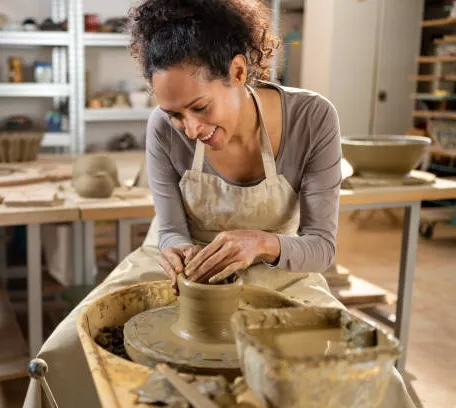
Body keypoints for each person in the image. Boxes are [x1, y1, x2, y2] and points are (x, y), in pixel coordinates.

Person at [24, 1, 415, 407]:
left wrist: (262, 244)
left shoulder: (312, 118)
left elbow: (321, 248)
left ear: (239, 72)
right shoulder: (162, 129)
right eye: (175, 114)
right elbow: (172, 227)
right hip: (180, 267)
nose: (190, 129)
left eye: (200, 107)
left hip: (277, 268)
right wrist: (175, 248)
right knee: (61, 353)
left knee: (377, 380)